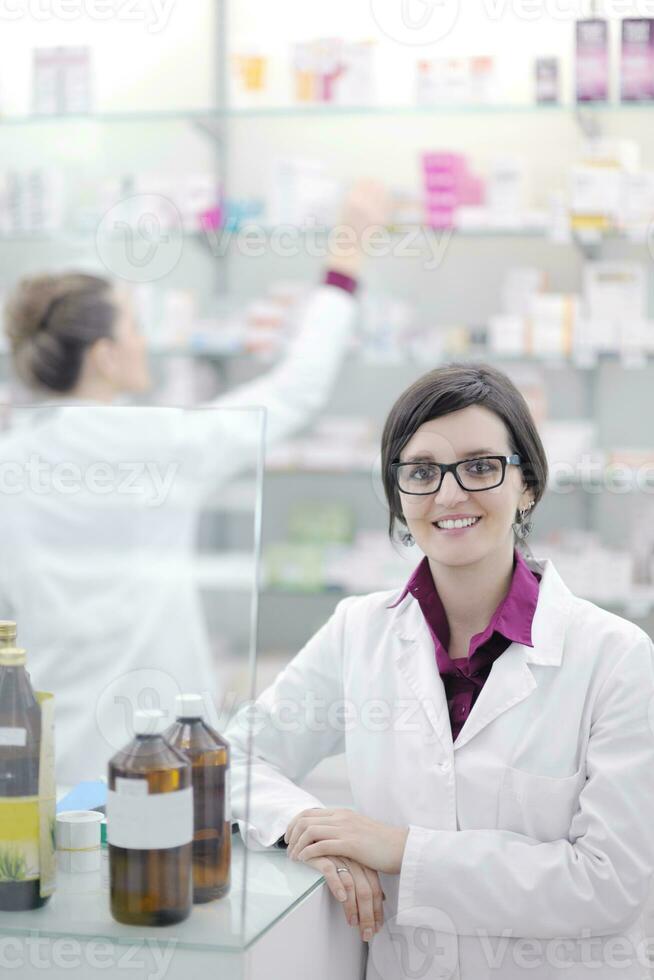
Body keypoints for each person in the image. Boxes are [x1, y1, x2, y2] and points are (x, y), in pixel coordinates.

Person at [226, 363, 654, 979]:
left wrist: (402, 851)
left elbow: (611, 886)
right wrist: (309, 830)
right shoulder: (360, 631)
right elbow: (236, 760)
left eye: (480, 466)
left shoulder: (614, 655)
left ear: (527, 484)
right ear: (399, 494)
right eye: (422, 472)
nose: (449, 496)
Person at [0, 180, 389, 785]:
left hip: (49, 750)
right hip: (158, 747)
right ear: (103, 354)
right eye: (131, 325)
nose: (141, 340)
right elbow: (295, 390)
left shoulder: (9, 461)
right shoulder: (157, 445)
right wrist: (348, 252)